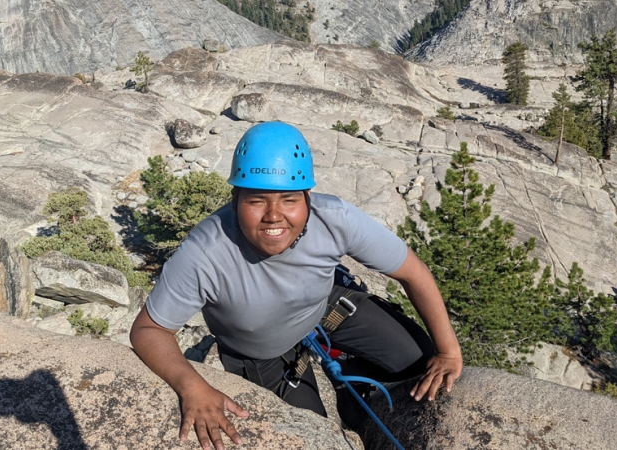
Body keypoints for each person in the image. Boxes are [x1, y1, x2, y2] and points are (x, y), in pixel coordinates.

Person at [130, 121, 462, 450]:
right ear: (235, 200)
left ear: (308, 198)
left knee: (420, 360)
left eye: (289, 200)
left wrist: (448, 351)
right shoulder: (205, 251)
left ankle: (350, 386)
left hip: (324, 307)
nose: (274, 216)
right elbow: (149, 330)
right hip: (262, 353)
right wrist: (192, 386)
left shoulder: (334, 218)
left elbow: (412, 272)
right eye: (257, 200)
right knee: (313, 434)